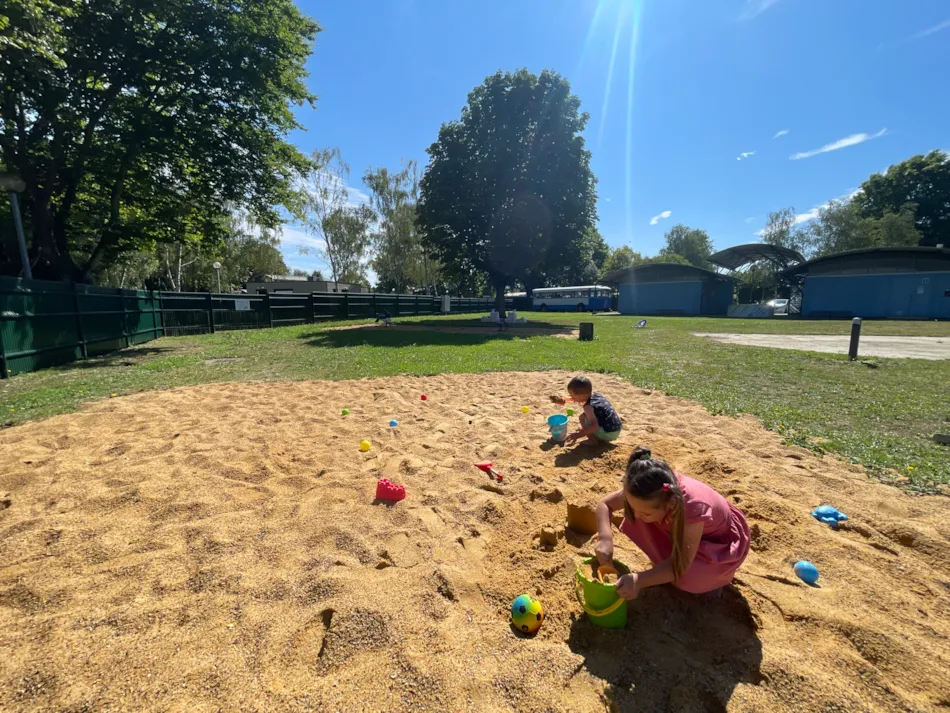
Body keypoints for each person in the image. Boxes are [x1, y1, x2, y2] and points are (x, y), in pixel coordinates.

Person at [594, 446, 750, 599]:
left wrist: (639, 580)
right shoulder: (646, 487)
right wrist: (605, 539)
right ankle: (664, 565)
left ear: (670, 502)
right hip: (684, 529)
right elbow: (605, 505)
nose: (636, 515)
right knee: (640, 519)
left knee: (687, 577)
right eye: (634, 507)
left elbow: (679, 565)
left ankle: (715, 580)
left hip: (718, 544)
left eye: (645, 512)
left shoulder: (690, 506)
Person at [550, 375, 622, 445]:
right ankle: (596, 435)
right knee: (586, 416)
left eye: (572, 396)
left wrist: (578, 435)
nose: (571, 398)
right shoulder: (596, 395)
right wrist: (564, 400)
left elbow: (594, 426)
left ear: (582, 396)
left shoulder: (588, 407)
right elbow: (580, 398)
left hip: (609, 433)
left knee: (583, 418)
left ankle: (593, 440)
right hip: (616, 428)